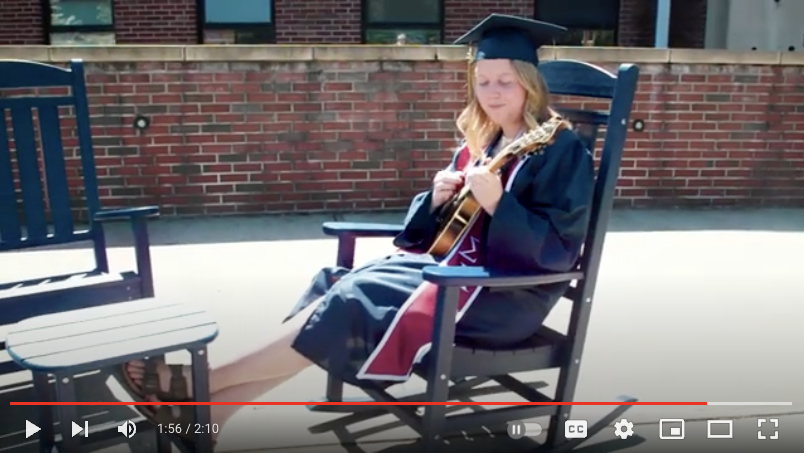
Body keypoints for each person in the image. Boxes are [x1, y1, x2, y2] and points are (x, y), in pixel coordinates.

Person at [111, 13, 595, 447]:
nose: (492, 93)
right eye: (483, 80)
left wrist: (500, 205)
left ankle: (200, 382)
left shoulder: (558, 149)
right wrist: (436, 198)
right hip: (452, 273)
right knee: (334, 283)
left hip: (503, 297)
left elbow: (557, 252)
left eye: (504, 82)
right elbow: (432, 237)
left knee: (355, 293)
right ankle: (213, 413)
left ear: (529, 84)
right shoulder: (483, 141)